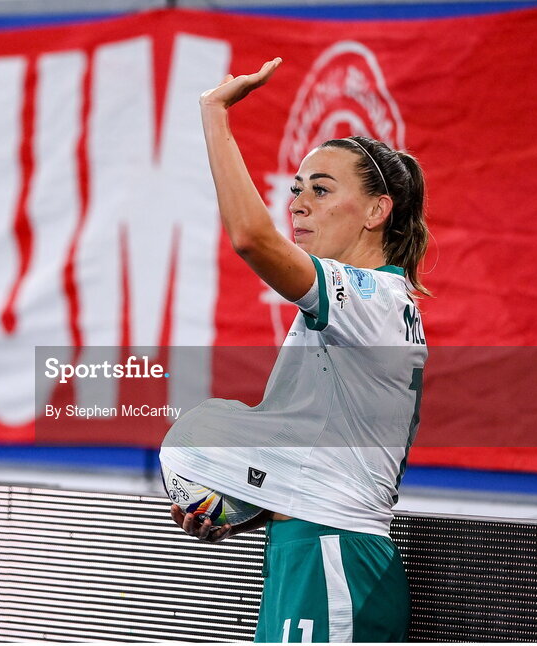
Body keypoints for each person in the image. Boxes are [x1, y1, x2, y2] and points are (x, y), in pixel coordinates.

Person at [159, 57, 430, 643]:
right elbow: (325, 455)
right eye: (297, 189)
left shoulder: (371, 298)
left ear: (377, 211)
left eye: (323, 190)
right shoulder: (358, 307)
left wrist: (214, 115)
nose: (299, 204)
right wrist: (238, 502)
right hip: (304, 553)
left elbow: (252, 238)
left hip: (334, 561)